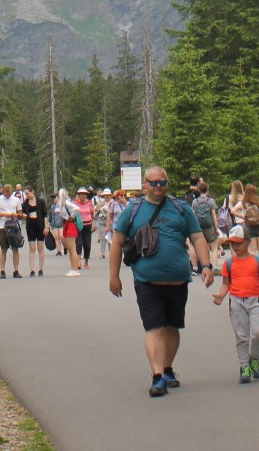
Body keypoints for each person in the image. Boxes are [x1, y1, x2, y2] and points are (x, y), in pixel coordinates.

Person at [108, 167, 214, 398]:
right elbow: (116, 243)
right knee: (154, 327)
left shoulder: (181, 208)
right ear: (145, 184)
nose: (158, 187)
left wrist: (206, 266)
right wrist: (114, 276)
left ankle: (167, 368)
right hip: (147, 281)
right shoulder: (133, 211)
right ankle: (157, 376)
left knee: (173, 327)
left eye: (162, 182)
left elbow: (197, 237)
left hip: (178, 281)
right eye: (154, 183)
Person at [212, 224, 259, 382]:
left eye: (239, 243)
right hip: (236, 303)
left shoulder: (257, 261)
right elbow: (226, 283)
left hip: (255, 302)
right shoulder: (229, 263)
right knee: (241, 336)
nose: (235, 246)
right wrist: (221, 295)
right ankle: (244, 366)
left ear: (248, 242)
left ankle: (254, 357)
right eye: (233, 243)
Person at [0, 183, 25, 279]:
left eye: (10, 193)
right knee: (3, 249)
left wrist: (16, 215)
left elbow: (20, 213)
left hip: (14, 226)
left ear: (11, 191)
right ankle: (2, 271)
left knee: (15, 248)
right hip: (3, 226)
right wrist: (3, 214)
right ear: (4, 191)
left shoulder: (16, 199)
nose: (8, 195)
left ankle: (16, 270)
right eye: (6, 193)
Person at [233, 183, 259, 259]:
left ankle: (253, 267)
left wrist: (242, 216)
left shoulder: (243, 202)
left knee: (252, 249)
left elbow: (233, 211)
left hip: (249, 225)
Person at [190, 181, 220, 267]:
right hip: (209, 227)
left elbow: (193, 216)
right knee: (214, 247)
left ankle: (199, 266)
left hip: (199, 227)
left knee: (198, 246)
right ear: (207, 190)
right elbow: (214, 216)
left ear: (198, 190)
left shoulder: (195, 202)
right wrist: (216, 228)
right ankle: (214, 266)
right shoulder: (211, 201)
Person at [21, 185, 48, 276]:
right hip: (30, 227)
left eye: (27, 193)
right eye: (25, 194)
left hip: (40, 226)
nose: (26, 195)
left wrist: (46, 226)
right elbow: (23, 213)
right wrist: (23, 215)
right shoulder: (25, 203)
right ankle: (32, 270)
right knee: (32, 248)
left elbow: (45, 215)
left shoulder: (40, 201)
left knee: (40, 248)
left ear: (32, 192)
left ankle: (41, 269)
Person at [71, 187, 97, 269]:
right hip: (78, 226)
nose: (83, 196)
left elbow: (92, 214)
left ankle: (86, 262)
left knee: (87, 245)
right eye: (81, 194)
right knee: (79, 244)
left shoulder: (89, 203)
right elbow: (72, 214)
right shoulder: (74, 203)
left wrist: (93, 223)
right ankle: (78, 262)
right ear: (78, 195)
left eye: (85, 194)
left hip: (88, 226)